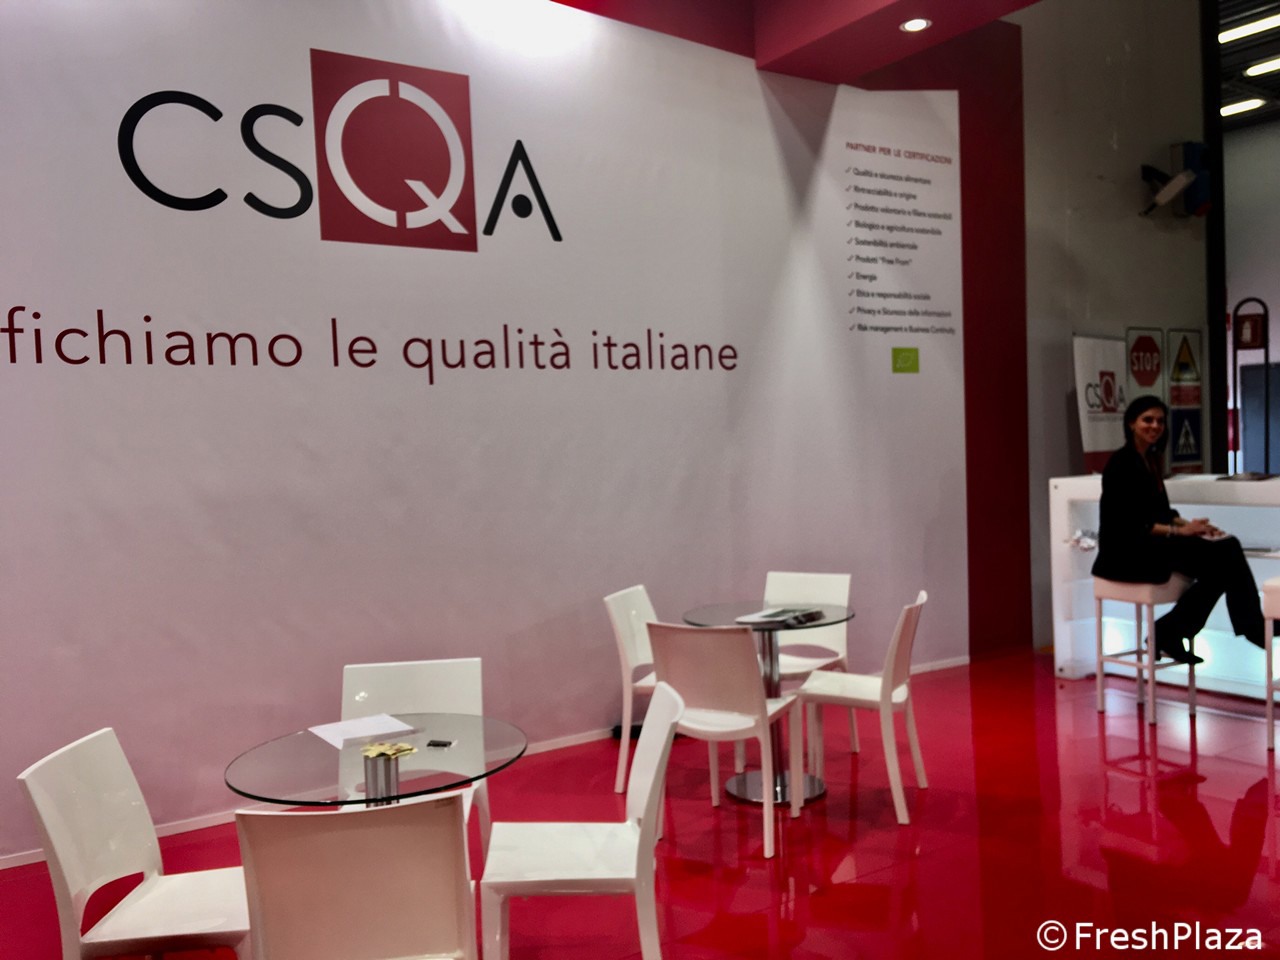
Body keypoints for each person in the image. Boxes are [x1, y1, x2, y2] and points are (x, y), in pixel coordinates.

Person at [1091, 395, 1265, 664]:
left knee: (1225, 555)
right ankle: (1251, 627)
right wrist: (1180, 532)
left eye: (1160, 421)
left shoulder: (1150, 460)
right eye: (1148, 420)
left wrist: (1194, 526)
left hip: (1150, 545)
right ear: (1131, 423)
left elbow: (1163, 513)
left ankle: (1169, 632)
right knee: (1226, 554)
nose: (1155, 426)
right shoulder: (1122, 463)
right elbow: (1132, 524)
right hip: (1126, 553)